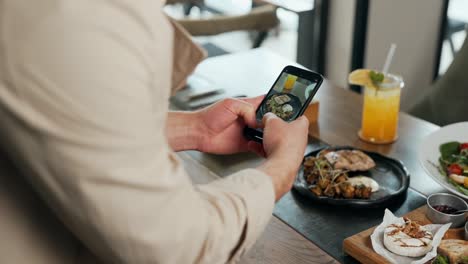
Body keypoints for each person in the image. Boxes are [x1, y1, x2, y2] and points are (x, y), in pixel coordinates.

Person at [0, 1, 309, 263]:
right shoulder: (82, 24)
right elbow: (176, 244)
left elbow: (69, 120)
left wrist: (194, 128)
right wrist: (282, 166)